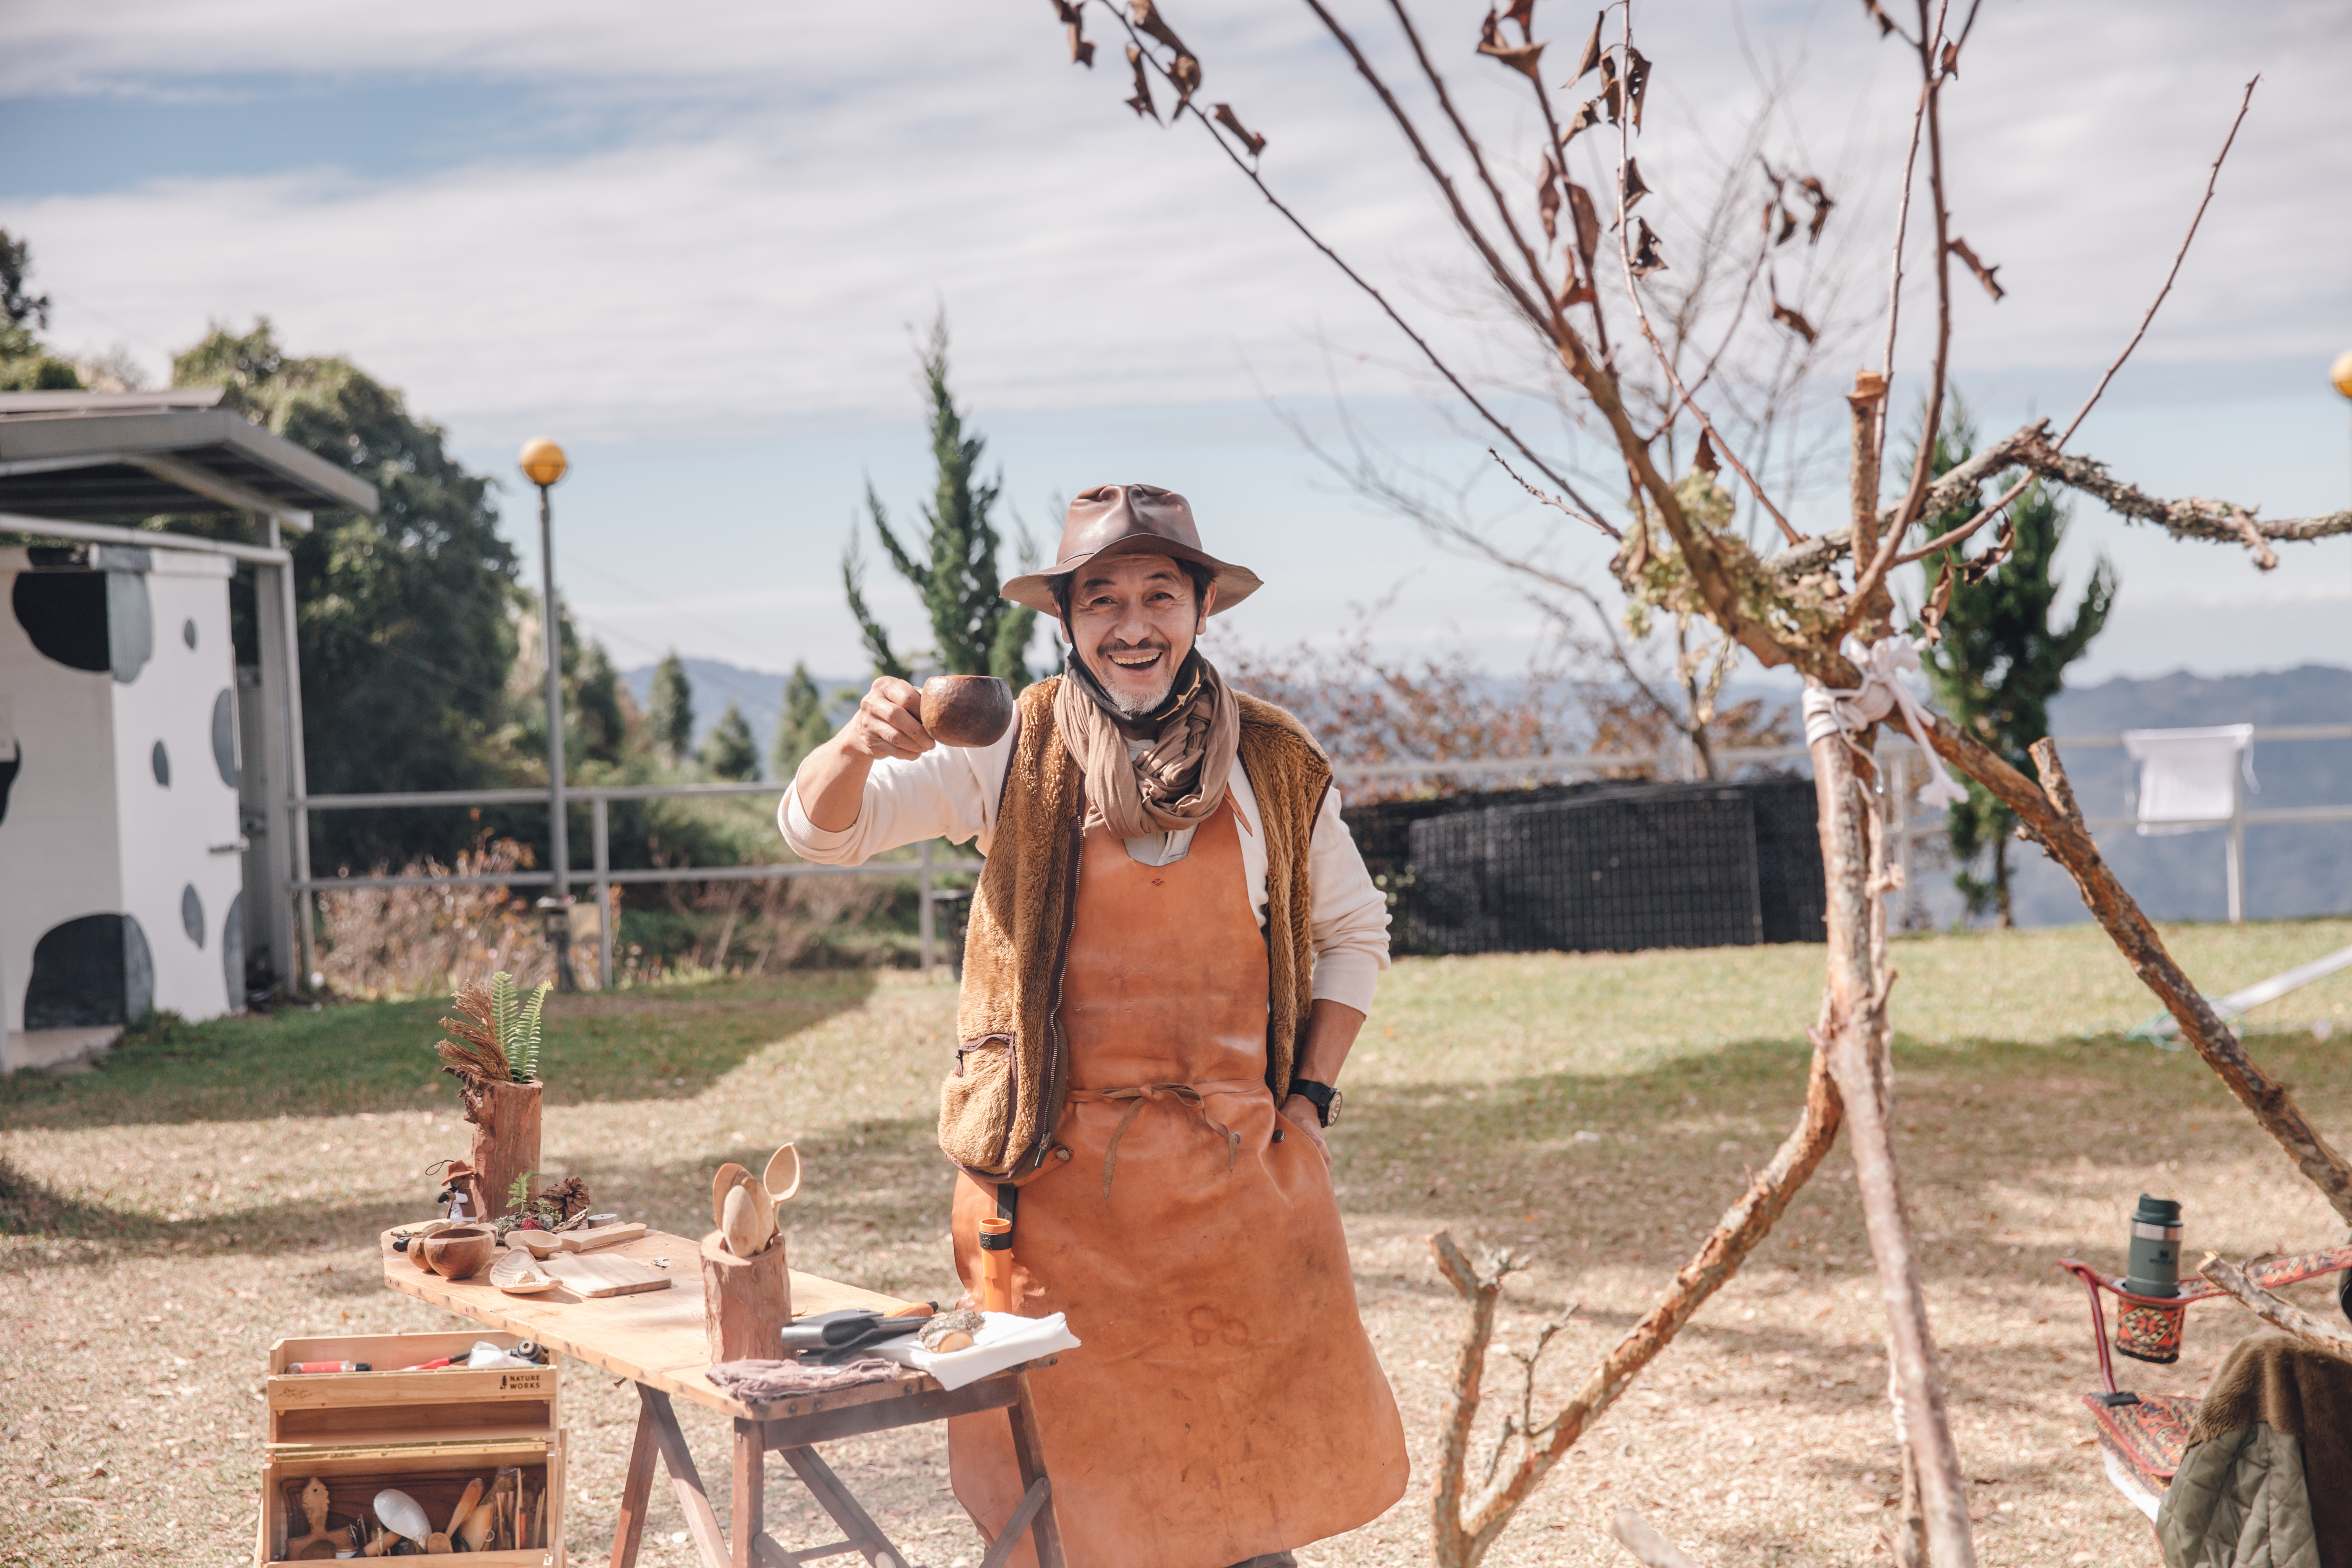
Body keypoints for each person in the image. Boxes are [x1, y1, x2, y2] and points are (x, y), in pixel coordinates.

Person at [783, 483, 1408, 1568]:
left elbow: (1356, 933)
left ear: (1200, 610)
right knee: (1058, 1512)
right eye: (1102, 598)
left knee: (1244, 1502)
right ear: (1066, 621)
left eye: (1159, 594)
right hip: (1047, 1201)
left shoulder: (1274, 764)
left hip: (1231, 1203)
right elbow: (821, 834)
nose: (1133, 624)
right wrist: (855, 746)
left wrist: (1308, 1105)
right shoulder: (1009, 749)